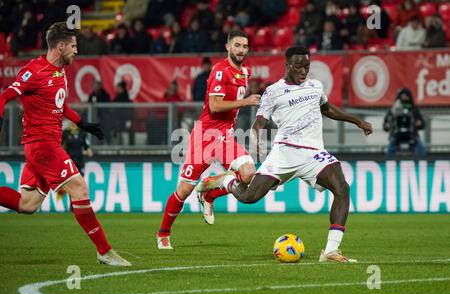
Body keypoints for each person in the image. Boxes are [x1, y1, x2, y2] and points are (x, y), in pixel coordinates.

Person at [197, 46, 373, 263]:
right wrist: (257, 137)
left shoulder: (315, 86)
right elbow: (259, 121)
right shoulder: (273, 91)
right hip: (285, 152)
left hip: (314, 153)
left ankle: (330, 251)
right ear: (287, 65)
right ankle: (227, 182)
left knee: (342, 188)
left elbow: (327, 109)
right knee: (249, 197)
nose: (303, 71)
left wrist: (358, 122)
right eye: (299, 66)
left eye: (307, 66)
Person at [0, 22, 131, 267]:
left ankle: (104, 252)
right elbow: (5, 95)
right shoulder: (34, 71)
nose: (76, 50)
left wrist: (83, 124)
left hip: (44, 146)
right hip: (43, 147)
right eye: (73, 46)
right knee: (80, 189)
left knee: (27, 205)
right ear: (60, 46)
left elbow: (60, 105)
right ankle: (104, 251)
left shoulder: (59, 71)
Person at [156, 30, 261, 249]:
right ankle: (163, 233)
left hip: (226, 137)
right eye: (238, 45)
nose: (242, 50)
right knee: (184, 191)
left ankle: (210, 194)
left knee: (248, 173)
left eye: (245, 46)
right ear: (228, 47)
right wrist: (246, 102)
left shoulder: (246, 72)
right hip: (205, 137)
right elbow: (214, 106)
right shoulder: (219, 71)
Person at [383, 87, 426, 157]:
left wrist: (419, 123)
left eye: (406, 96)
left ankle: (422, 162)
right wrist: (387, 125)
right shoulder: (394, 109)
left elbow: (422, 123)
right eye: (402, 96)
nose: (404, 97)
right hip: (396, 135)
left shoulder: (414, 109)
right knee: (390, 149)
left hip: (412, 135)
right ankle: (388, 163)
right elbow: (386, 122)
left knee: (420, 148)